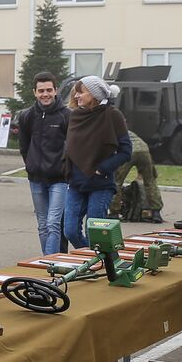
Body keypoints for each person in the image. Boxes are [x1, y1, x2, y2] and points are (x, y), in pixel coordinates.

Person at [62, 75, 132, 250]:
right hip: (76, 182)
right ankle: (96, 259)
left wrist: (102, 169)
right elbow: (71, 148)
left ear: (94, 94)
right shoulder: (76, 116)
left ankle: (101, 263)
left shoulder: (113, 115)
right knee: (70, 231)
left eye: (81, 92)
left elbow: (126, 151)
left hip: (100, 184)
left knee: (94, 233)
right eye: (76, 93)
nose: (76, 96)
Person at [15, 71, 70, 254]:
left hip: (59, 179)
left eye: (48, 90)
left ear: (55, 90)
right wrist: (30, 164)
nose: (45, 94)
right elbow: (24, 146)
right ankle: (47, 260)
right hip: (36, 178)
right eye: (41, 91)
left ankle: (51, 263)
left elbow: (72, 146)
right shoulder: (27, 116)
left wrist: (65, 167)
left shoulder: (66, 115)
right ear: (35, 92)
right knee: (42, 224)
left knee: (53, 222)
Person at [108, 132, 164, 222]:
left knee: (117, 182)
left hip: (129, 151)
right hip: (144, 150)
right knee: (150, 182)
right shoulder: (128, 131)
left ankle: (114, 212)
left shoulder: (111, 130)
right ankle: (156, 213)